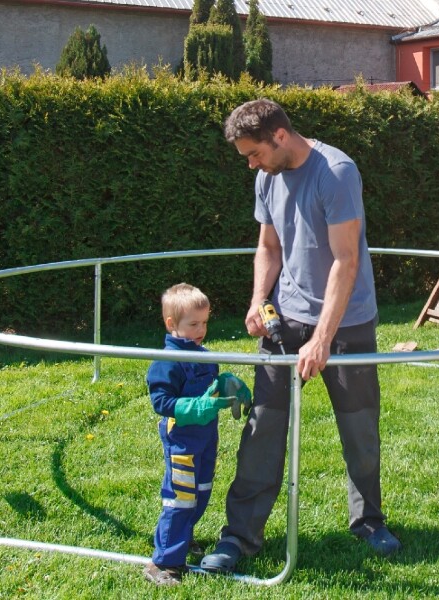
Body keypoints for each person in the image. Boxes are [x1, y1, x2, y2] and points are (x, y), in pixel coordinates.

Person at [200, 98, 398, 574]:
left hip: (346, 322)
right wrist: (256, 299)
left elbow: (345, 260)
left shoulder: (336, 173)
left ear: (280, 136)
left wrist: (323, 337)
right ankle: (240, 537)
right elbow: (268, 246)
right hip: (284, 321)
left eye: (254, 153)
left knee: (359, 428)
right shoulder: (265, 178)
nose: (251, 163)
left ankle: (369, 521)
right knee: (262, 426)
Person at [142, 283, 243, 585]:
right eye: (194, 324)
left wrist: (230, 385)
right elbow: (161, 402)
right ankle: (164, 562)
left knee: (200, 493)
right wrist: (194, 408)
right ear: (172, 324)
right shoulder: (167, 361)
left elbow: (211, 389)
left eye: (205, 322)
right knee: (180, 499)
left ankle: (182, 538)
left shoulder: (204, 355)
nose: (202, 329)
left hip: (206, 440)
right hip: (182, 442)